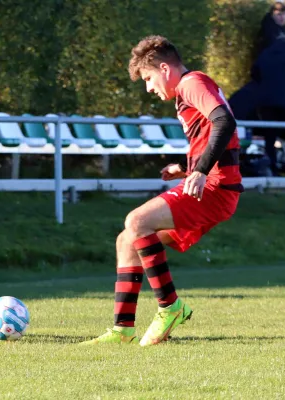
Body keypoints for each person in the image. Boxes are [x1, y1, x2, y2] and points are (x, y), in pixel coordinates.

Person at [81, 35, 243, 346]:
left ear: (165, 69)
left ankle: (171, 307)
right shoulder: (189, 90)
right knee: (127, 239)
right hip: (210, 182)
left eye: (148, 78)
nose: (149, 88)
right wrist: (188, 167)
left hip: (216, 189)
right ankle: (123, 329)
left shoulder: (191, 83)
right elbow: (218, 135)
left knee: (136, 221)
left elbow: (224, 123)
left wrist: (199, 170)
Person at [251, 34, 285, 176]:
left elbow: (254, 73)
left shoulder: (264, 55)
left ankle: (271, 168)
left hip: (266, 102)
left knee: (270, 136)